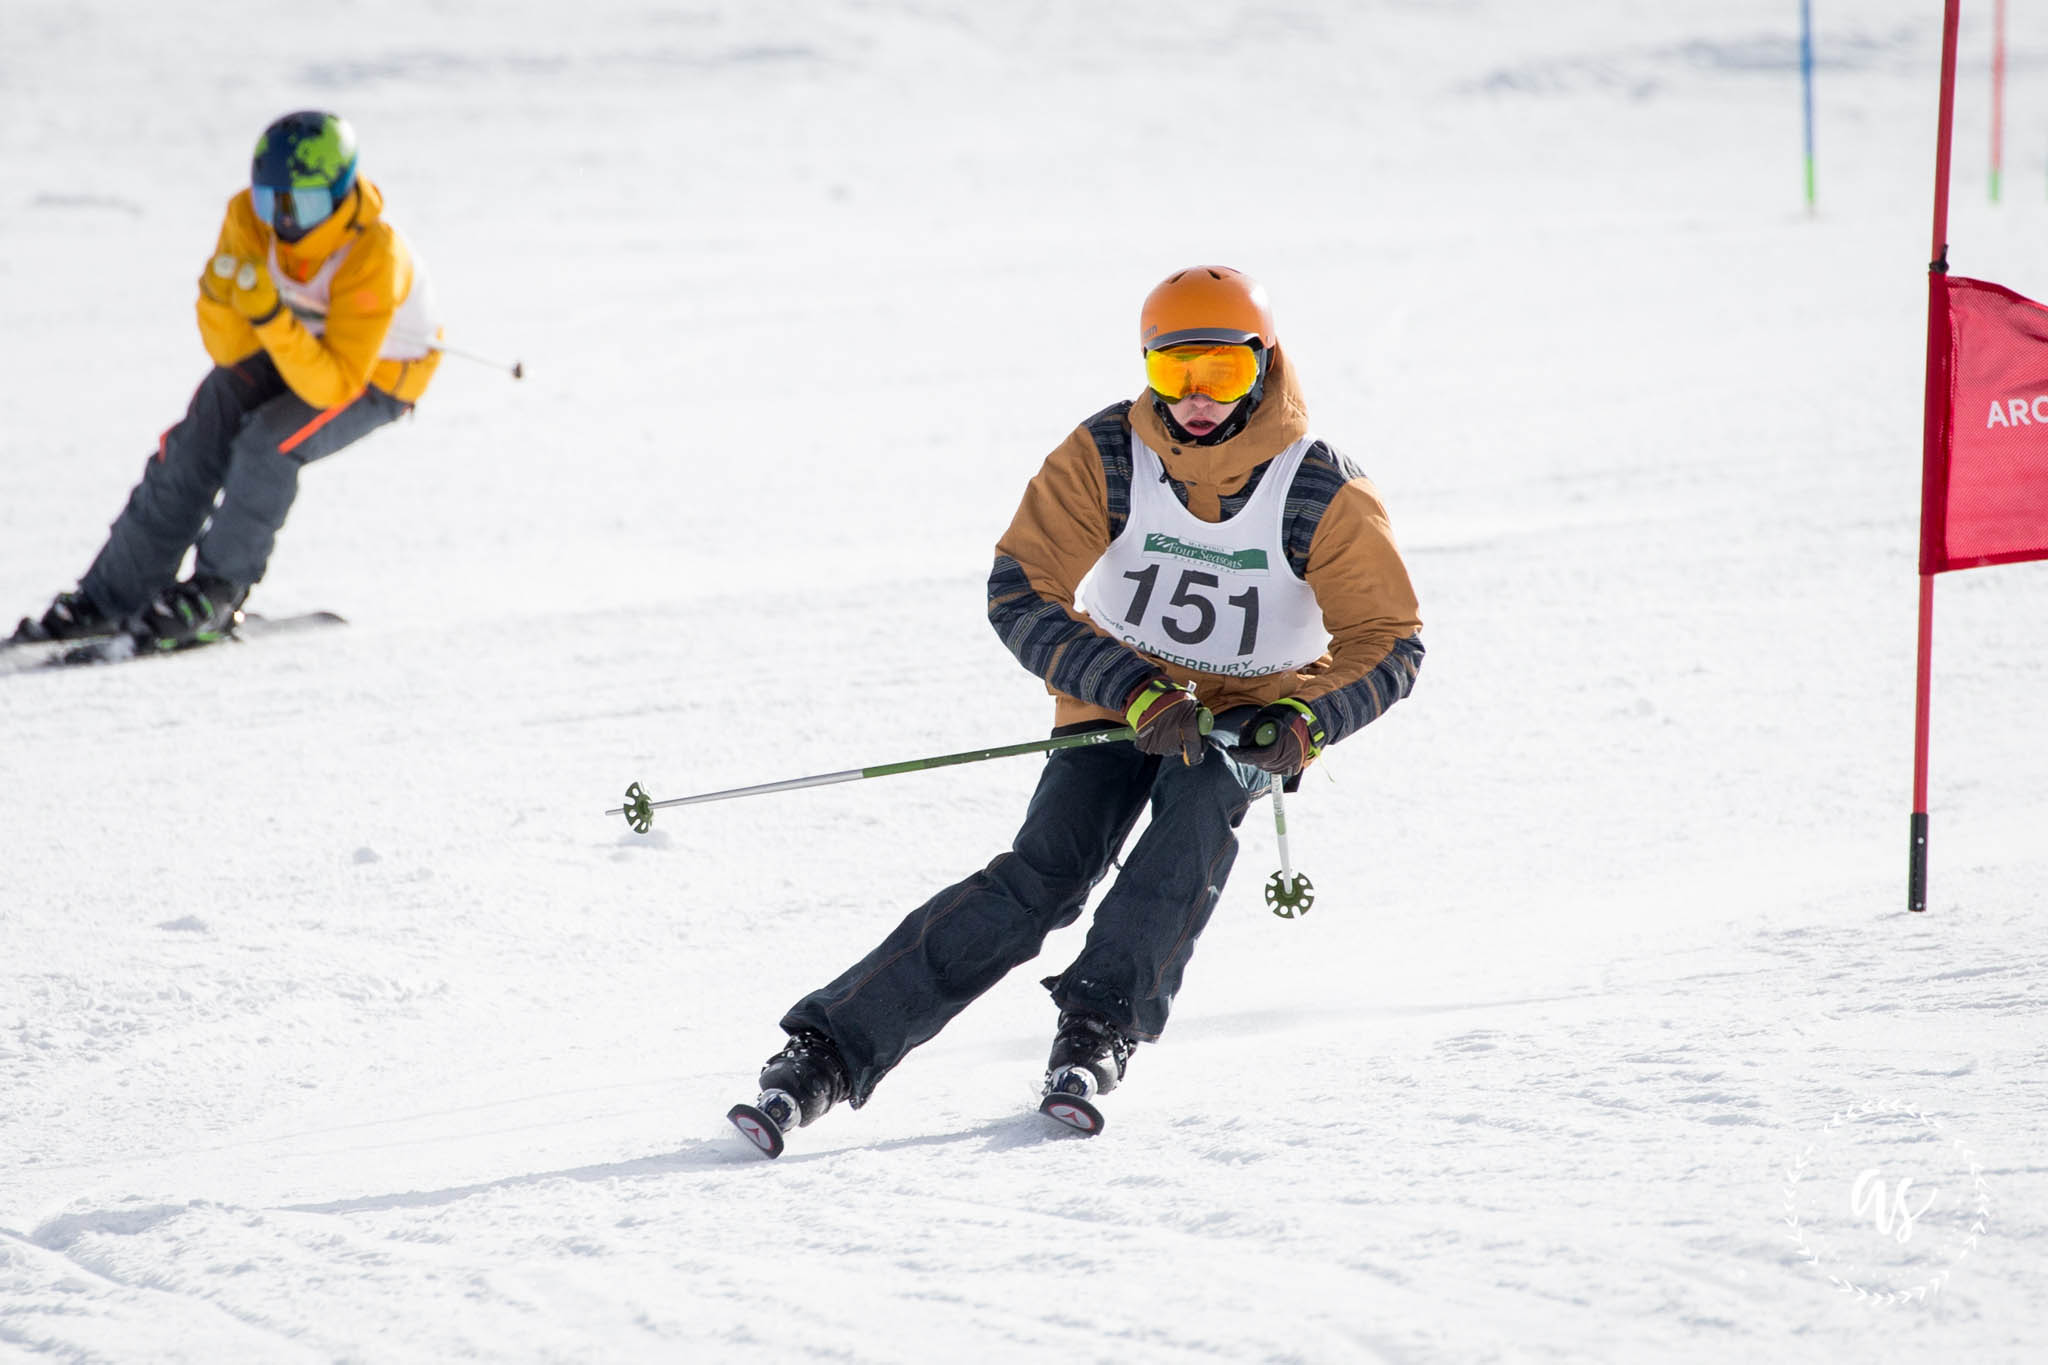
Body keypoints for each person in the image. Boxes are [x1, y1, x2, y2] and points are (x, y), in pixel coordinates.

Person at [733, 265, 1424, 1153]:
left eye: (1223, 373)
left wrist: (1303, 721)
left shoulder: (1319, 488)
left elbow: (1389, 639)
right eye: (1176, 374)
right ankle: (828, 1050)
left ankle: (1099, 1028)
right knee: (1044, 875)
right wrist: (1131, 690)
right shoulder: (1109, 454)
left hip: (1242, 716)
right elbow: (1020, 589)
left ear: (1266, 364)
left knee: (1194, 823)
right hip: (1121, 694)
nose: (1198, 399)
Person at [12, 110, 440, 650]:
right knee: (199, 435)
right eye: (271, 201)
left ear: (339, 193)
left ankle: (218, 591)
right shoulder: (246, 218)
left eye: (301, 204)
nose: (284, 220)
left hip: (376, 374)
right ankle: (112, 595)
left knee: (269, 443)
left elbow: (333, 384)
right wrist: (220, 304)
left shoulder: (374, 254)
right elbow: (230, 352)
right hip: (293, 350)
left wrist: (266, 316)